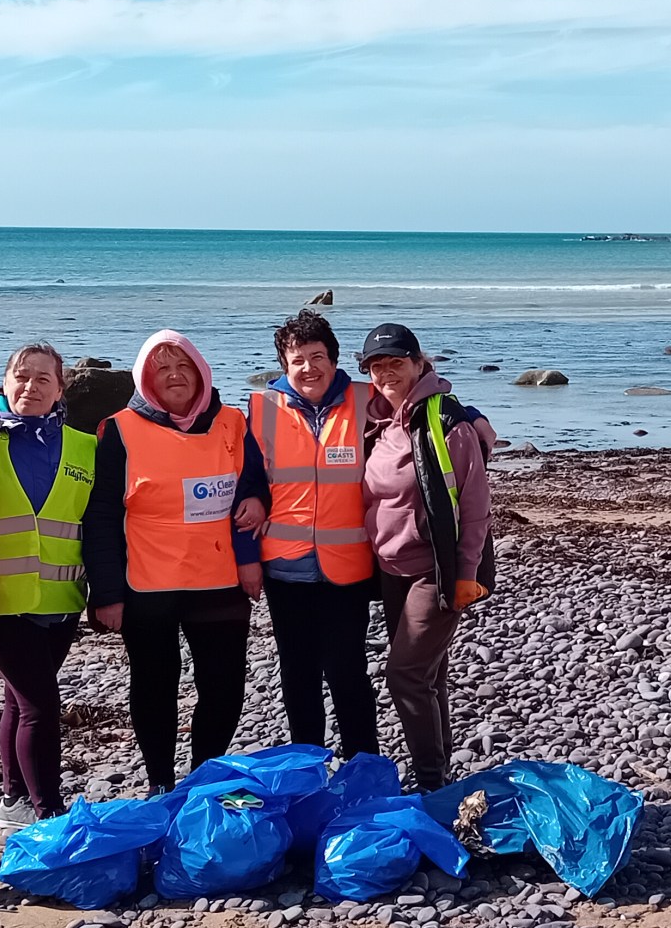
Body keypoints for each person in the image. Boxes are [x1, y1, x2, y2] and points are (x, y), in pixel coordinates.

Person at [82, 329, 267, 794]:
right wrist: (106, 593)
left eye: (183, 366)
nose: (174, 375)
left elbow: (254, 482)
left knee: (224, 688)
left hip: (219, 581)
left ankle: (203, 777)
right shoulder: (119, 429)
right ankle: (161, 784)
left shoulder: (233, 422)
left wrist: (258, 501)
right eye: (161, 369)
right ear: (146, 379)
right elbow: (101, 516)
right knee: (154, 688)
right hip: (148, 587)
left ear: (201, 372)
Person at [357, 322, 495, 792]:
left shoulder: (447, 423)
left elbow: (475, 509)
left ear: (419, 363)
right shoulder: (375, 418)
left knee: (405, 676)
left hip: (434, 571)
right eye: (377, 365)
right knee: (430, 675)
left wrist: (466, 575)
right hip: (389, 571)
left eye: (397, 362)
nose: (386, 372)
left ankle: (431, 782)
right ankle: (443, 776)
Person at [239, 311, 382, 757]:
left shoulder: (367, 400)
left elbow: (421, 396)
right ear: (284, 364)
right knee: (297, 673)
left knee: (348, 672)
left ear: (335, 359)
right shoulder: (261, 409)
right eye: (297, 359)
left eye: (317, 356)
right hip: (286, 570)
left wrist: (468, 413)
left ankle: (364, 765)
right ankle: (308, 765)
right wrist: (247, 555)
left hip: (349, 570)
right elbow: (244, 485)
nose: (308, 368)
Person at [0, 343, 93, 829]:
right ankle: (49, 814)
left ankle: (13, 800)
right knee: (42, 707)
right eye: (21, 377)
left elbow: (98, 524)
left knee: (19, 700)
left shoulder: (86, 447)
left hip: (62, 601)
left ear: (60, 389)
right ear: (4, 382)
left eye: (43, 379)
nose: (31, 387)